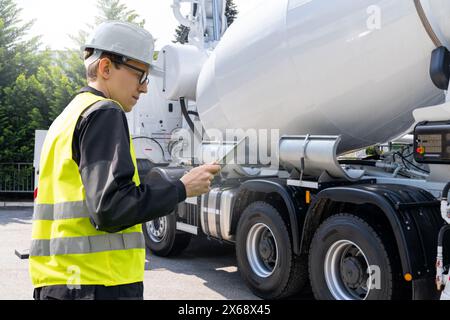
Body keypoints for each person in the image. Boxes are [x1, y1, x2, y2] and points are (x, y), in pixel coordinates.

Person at [29, 21, 221, 300]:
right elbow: (111, 207)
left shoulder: (68, 117)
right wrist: (182, 188)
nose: (144, 89)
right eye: (140, 76)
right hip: (98, 284)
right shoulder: (105, 112)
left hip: (63, 281)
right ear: (106, 68)